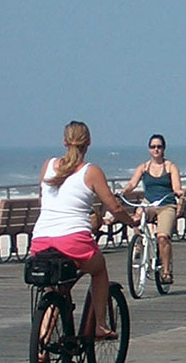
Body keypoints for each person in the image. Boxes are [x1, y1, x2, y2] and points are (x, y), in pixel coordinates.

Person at [30, 121, 135, 339]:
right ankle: (100, 325)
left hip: (41, 240)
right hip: (73, 241)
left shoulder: (48, 165)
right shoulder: (91, 171)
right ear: (88, 143)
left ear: (64, 141)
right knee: (99, 270)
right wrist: (131, 221)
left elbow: (44, 201)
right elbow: (114, 207)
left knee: (56, 289)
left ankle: (42, 344)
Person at [121, 134, 183, 284]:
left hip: (166, 204)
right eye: (153, 147)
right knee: (136, 219)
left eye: (159, 147)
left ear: (164, 149)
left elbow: (176, 186)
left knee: (162, 237)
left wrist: (178, 192)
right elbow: (132, 184)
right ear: (149, 149)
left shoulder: (170, 167)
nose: (156, 150)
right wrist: (123, 192)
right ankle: (139, 245)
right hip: (149, 203)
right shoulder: (144, 167)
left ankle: (166, 271)